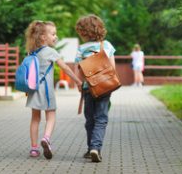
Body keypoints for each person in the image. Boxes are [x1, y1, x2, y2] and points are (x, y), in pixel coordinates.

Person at [25, 20, 82, 159]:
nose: (55, 37)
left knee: (35, 118)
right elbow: (65, 68)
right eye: (53, 34)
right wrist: (78, 81)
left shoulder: (31, 52)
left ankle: (33, 149)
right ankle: (46, 138)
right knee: (51, 115)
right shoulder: (50, 51)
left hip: (33, 90)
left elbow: (28, 73)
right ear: (43, 37)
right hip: (46, 90)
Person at [74, 14, 117, 163]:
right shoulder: (107, 45)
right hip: (104, 87)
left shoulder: (81, 49)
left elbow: (78, 69)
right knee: (101, 119)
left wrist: (79, 84)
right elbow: (112, 67)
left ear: (83, 32)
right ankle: (95, 148)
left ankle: (89, 148)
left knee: (90, 119)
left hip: (88, 88)